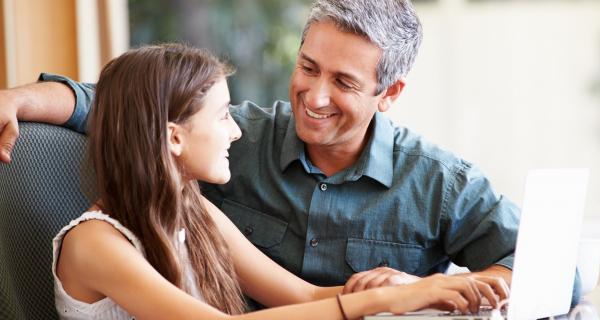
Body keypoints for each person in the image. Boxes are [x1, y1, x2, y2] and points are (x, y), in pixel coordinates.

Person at [0, 0, 515, 301]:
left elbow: (532, 270)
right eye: (308, 67)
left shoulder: (442, 182)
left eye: (343, 82)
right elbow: (126, 106)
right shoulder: (227, 141)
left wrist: (413, 290)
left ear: (390, 94)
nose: (314, 97)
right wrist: (17, 98)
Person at [50, 42, 491, 319]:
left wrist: (419, 292)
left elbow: (301, 296)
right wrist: (378, 304)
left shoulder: (192, 208)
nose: (236, 131)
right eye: (223, 116)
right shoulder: (95, 243)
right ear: (174, 138)